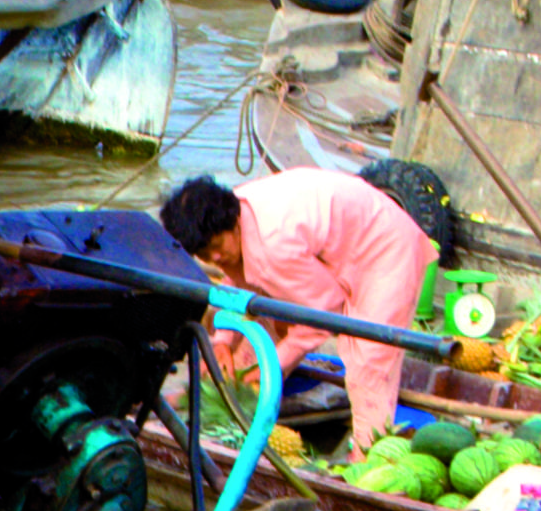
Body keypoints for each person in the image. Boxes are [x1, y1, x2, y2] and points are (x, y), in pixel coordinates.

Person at [164, 165, 445, 448]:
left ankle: (369, 452)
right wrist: (223, 342)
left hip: (385, 249)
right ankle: (208, 398)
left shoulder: (274, 244)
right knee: (252, 336)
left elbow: (322, 316)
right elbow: (237, 285)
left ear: (232, 224)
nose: (214, 258)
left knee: (368, 364)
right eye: (204, 254)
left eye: (216, 246)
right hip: (331, 247)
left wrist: (275, 364)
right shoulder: (223, 218)